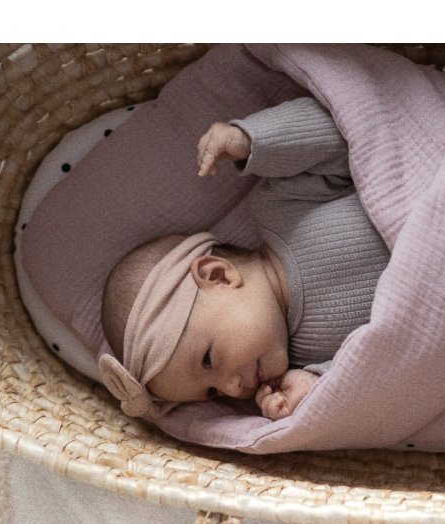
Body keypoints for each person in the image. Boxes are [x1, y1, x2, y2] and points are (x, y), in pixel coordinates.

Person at [100, 97, 390, 421]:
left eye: (208, 360)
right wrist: (316, 383)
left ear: (218, 275)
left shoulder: (281, 207)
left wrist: (254, 142)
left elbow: (341, 140)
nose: (232, 388)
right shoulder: (302, 362)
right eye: (213, 392)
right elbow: (384, 362)